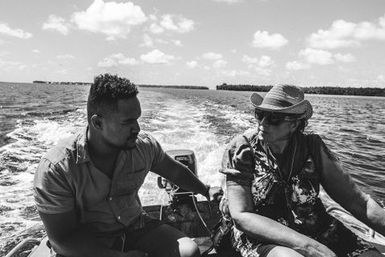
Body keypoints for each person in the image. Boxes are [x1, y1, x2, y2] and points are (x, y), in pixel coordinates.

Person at [33, 73, 211, 257]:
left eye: (137, 119)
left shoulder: (143, 147)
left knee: (188, 252)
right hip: (86, 241)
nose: (137, 128)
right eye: (127, 122)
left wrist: (205, 190)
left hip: (134, 227)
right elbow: (62, 240)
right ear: (98, 123)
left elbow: (174, 171)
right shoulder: (58, 168)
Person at [220, 84, 385, 257]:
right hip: (260, 234)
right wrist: (308, 247)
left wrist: (313, 244)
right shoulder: (242, 149)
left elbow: (357, 202)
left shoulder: (312, 148)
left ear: (294, 124)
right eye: (260, 114)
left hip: (315, 227)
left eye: (274, 118)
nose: (263, 122)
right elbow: (242, 215)